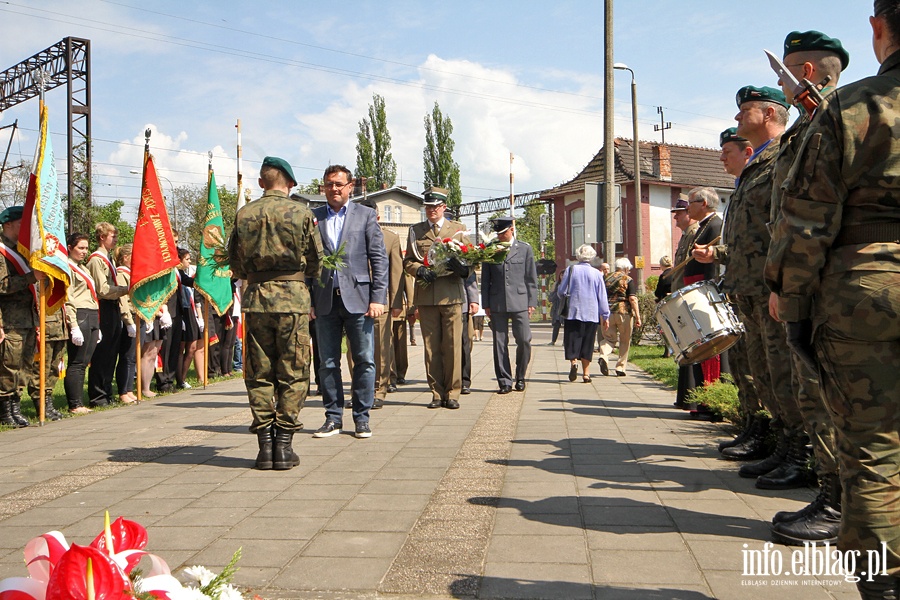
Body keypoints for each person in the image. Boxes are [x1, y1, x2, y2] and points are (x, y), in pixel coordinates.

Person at [765, 5, 899, 594]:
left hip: (866, 297)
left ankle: (884, 584)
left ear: (879, 28)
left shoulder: (856, 107)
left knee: (872, 453)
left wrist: (792, 308)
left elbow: (805, 224)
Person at [694, 85, 810, 491]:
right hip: (748, 287)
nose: (739, 118)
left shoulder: (785, 156)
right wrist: (721, 254)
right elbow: (750, 234)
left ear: (770, 114)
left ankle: (799, 453)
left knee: (782, 373)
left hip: (770, 288)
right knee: (763, 373)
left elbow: (785, 224)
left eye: (746, 110)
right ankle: (779, 443)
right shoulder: (757, 165)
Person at [762, 29, 848, 548]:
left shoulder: (834, 118)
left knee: (828, 399)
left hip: (827, 286)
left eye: (784, 73)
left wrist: (789, 285)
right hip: (825, 281)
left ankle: (840, 503)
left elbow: (809, 213)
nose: (780, 83)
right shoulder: (814, 122)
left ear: (806, 73)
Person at [228, 156, 323, 470]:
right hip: (293, 301)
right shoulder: (301, 213)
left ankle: (264, 447)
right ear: (290, 183)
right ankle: (284, 446)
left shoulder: (244, 214)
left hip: (256, 301)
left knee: (258, 373)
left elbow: (236, 264)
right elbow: (315, 261)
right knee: (293, 372)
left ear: (261, 183)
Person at [311, 165, 388, 438]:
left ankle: (361, 417)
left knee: (364, 360)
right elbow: (308, 262)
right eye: (329, 184)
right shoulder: (314, 218)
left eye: (339, 184)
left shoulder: (365, 215)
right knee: (327, 362)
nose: (334, 189)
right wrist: (309, 300)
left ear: (350, 186)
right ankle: (333, 417)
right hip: (324, 300)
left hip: (360, 299)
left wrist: (378, 298)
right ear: (324, 187)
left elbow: (379, 259)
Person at [402, 186, 470, 409]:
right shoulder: (416, 230)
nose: (431, 210)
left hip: (451, 295)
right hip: (427, 296)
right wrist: (418, 270)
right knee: (431, 348)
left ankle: (453, 392)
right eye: (428, 206)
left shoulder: (458, 229)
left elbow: (470, 260)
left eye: (435, 206)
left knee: (452, 346)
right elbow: (409, 261)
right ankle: (436, 392)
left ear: (443, 207)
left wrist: (461, 268)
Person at [0, 206, 46, 427]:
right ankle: (4, 410)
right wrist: (31, 277)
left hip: (27, 318)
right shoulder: (2, 251)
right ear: (8, 224)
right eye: (22, 223)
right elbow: (3, 285)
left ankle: (16, 406)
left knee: (24, 367)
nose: (26, 229)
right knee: (8, 366)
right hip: (10, 320)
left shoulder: (22, 251)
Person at [481, 216, 538, 393]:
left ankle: (520, 376)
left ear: (511, 229)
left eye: (503, 233)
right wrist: (486, 304)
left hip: (520, 301)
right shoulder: (490, 249)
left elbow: (530, 278)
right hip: (497, 302)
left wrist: (531, 302)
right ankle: (505, 381)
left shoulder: (524, 249)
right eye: (498, 234)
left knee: (524, 340)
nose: (501, 236)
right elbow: (485, 280)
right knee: (499, 343)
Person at [359, 197, 403, 408]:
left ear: (376, 216)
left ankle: (379, 390)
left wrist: (396, 303)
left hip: (380, 301)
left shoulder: (389, 238)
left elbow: (395, 272)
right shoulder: (349, 235)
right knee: (354, 350)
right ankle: (360, 390)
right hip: (354, 300)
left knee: (380, 348)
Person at [86, 222, 129, 407]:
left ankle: (107, 391)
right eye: (112, 236)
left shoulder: (108, 258)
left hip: (113, 307)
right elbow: (102, 289)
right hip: (103, 306)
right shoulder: (96, 259)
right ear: (102, 237)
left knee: (112, 353)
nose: (116, 239)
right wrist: (125, 289)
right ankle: (98, 395)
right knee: (102, 354)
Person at [558, 244, 610, 383]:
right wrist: (605, 315)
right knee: (588, 342)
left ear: (578, 255)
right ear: (592, 257)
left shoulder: (571, 270)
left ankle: (574, 363)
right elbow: (602, 296)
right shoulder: (597, 274)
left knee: (572, 339)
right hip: (591, 313)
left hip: (573, 312)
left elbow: (561, 291)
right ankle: (586, 374)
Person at [668, 198, 701, 409]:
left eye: (679, 213)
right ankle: (685, 397)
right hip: (681, 294)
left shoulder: (694, 233)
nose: (675, 217)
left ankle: (692, 398)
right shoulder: (685, 235)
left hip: (689, 296)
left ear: (689, 213)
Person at [63, 232, 100, 415]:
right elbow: (68, 297)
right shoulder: (67, 267)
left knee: (85, 361)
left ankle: (79, 401)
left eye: (86, 248)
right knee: (77, 361)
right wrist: (73, 325)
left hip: (92, 313)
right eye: (80, 248)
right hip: (80, 314)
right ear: (70, 248)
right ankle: (75, 403)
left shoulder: (83, 268)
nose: (84, 251)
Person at [597, 258, 642, 377]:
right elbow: (632, 298)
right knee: (624, 341)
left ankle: (603, 356)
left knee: (608, 339)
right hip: (624, 313)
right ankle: (620, 368)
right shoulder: (628, 279)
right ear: (626, 268)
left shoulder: (605, 277)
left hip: (607, 313)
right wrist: (638, 316)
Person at [113, 244, 137, 404]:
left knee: (132, 357)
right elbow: (123, 299)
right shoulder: (122, 273)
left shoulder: (131, 273)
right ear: (126, 257)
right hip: (128, 317)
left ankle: (129, 388)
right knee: (126, 357)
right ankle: (123, 391)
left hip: (136, 315)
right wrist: (128, 321)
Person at [460, 271, 479, 395]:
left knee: (464, 343)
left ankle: (464, 380)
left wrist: (473, 299)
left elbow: (469, 273)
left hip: (462, 302)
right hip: (440, 300)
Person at [548, 270, 564, 346]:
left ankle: (565, 342)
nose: (563, 277)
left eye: (564, 275)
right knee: (556, 325)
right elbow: (550, 297)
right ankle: (553, 340)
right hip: (557, 307)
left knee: (566, 326)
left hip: (565, 307)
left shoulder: (569, 284)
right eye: (561, 275)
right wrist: (556, 293)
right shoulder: (556, 284)